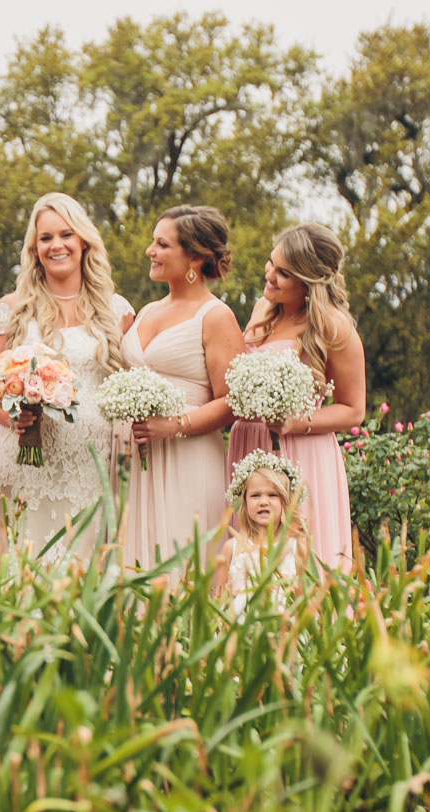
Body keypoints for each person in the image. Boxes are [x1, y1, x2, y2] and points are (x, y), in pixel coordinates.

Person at [0, 193, 134, 566]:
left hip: (92, 466)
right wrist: (14, 420)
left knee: (83, 576)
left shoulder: (116, 311)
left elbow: (124, 388)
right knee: (24, 569)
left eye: (66, 234)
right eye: (46, 238)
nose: (57, 245)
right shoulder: (11, 309)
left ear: (83, 240)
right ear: (34, 248)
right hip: (25, 465)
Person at [226, 223, 365, 573]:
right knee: (248, 564)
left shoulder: (333, 326)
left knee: (300, 563)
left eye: (284, 273)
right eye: (272, 263)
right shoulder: (264, 310)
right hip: (250, 445)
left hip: (301, 452)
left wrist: (295, 424)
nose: (269, 275)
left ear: (308, 281)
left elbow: (353, 411)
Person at [120, 205, 244, 570]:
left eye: (161, 244)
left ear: (194, 257)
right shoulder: (146, 311)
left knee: (184, 562)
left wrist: (173, 425)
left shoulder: (216, 316)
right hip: (134, 460)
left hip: (186, 456)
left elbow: (232, 402)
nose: (150, 251)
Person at [218, 452, 310, 612]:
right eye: (255, 495)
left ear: (285, 501)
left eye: (272, 495)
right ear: (244, 502)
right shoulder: (231, 548)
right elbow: (219, 602)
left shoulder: (296, 548)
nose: (263, 502)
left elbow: (304, 602)